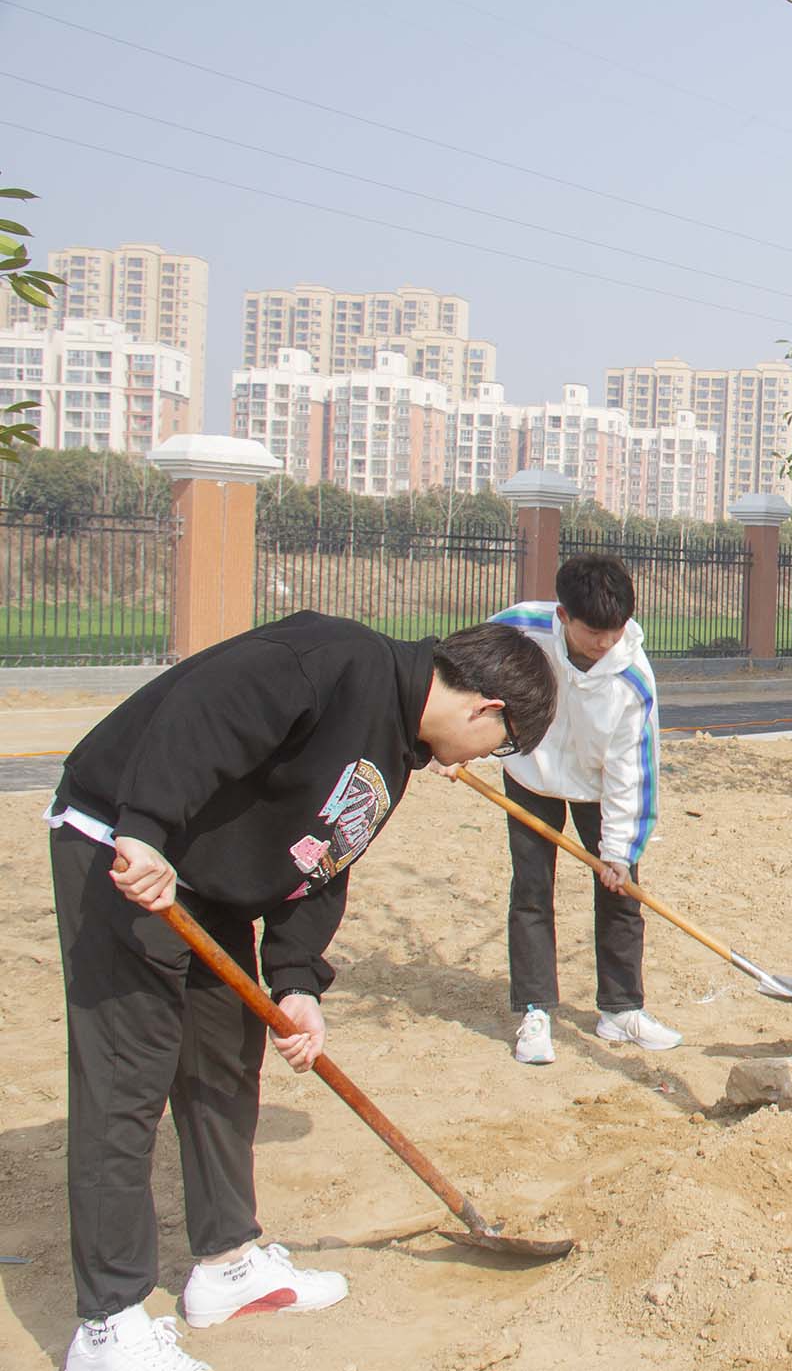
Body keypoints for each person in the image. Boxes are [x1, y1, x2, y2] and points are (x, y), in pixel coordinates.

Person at [47, 614, 556, 1371]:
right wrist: (145, 828)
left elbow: (324, 855)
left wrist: (296, 982)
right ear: (486, 709)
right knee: (127, 1077)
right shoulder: (334, 660)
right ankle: (109, 1322)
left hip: (206, 878)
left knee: (222, 1059)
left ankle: (225, 1263)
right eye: (505, 745)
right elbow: (202, 714)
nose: (490, 759)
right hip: (123, 850)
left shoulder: (393, 742)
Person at [484, 554, 678, 1064]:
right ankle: (535, 1009)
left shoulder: (632, 678)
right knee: (530, 890)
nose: (605, 643)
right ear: (564, 616)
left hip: (599, 786)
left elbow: (631, 772)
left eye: (615, 631)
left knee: (621, 893)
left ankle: (621, 1009)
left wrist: (617, 851)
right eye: (594, 631)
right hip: (531, 771)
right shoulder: (520, 628)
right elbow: (464, 666)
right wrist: (442, 735)